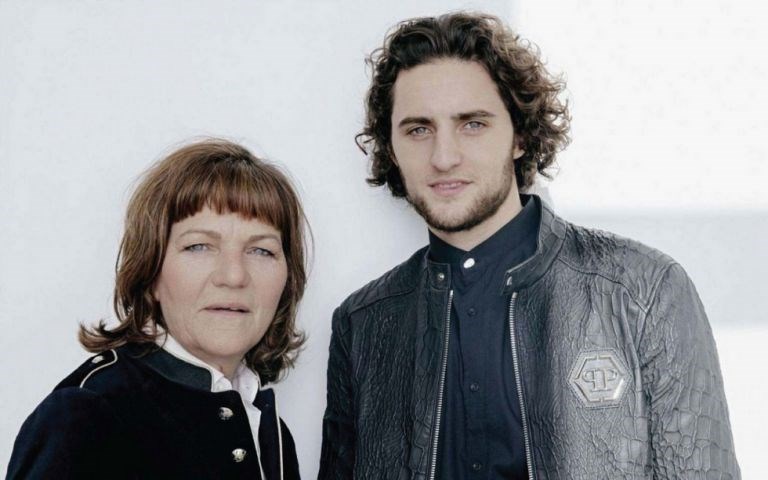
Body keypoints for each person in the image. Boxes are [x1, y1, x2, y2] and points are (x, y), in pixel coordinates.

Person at [319, 12, 739, 479]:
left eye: (472, 124)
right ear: (392, 148)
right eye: (418, 129)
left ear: (519, 135)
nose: (443, 156)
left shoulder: (644, 290)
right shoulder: (362, 324)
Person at [8, 139, 305, 479]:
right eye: (199, 246)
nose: (234, 276)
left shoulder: (271, 433)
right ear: (150, 272)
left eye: (262, 250)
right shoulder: (88, 414)